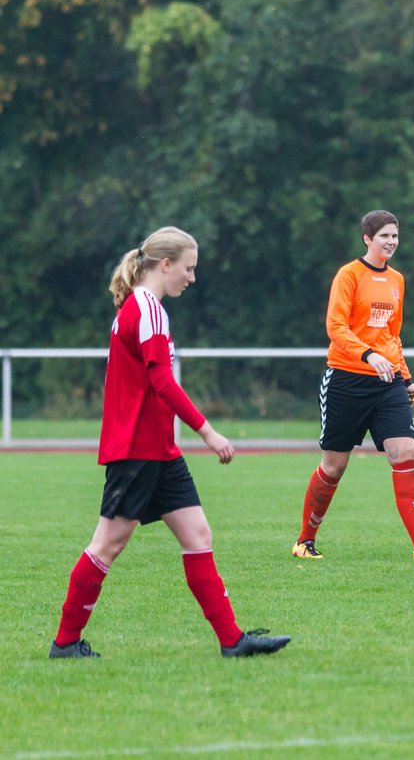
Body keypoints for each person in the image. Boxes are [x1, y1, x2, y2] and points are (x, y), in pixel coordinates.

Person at [49, 227, 290, 659]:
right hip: (137, 450)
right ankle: (65, 643)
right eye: (189, 268)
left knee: (198, 534)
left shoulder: (139, 307)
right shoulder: (148, 310)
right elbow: (162, 382)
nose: (192, 278)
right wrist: (208, 431)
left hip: (157, 448)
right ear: (166, 265)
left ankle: (233, 641)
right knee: (107, 544)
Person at [291, 210, 414, 561]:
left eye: (395, 235)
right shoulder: (348, 275)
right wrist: (368, 355)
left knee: (405, 451)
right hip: (345, 381)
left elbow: (392, 336)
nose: (391, 242)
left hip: (387, 383)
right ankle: (304, 541)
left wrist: (407, 378)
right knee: (334, 466)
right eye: (384, 235)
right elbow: (336, 328)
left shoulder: (397, 280)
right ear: (367, 239)